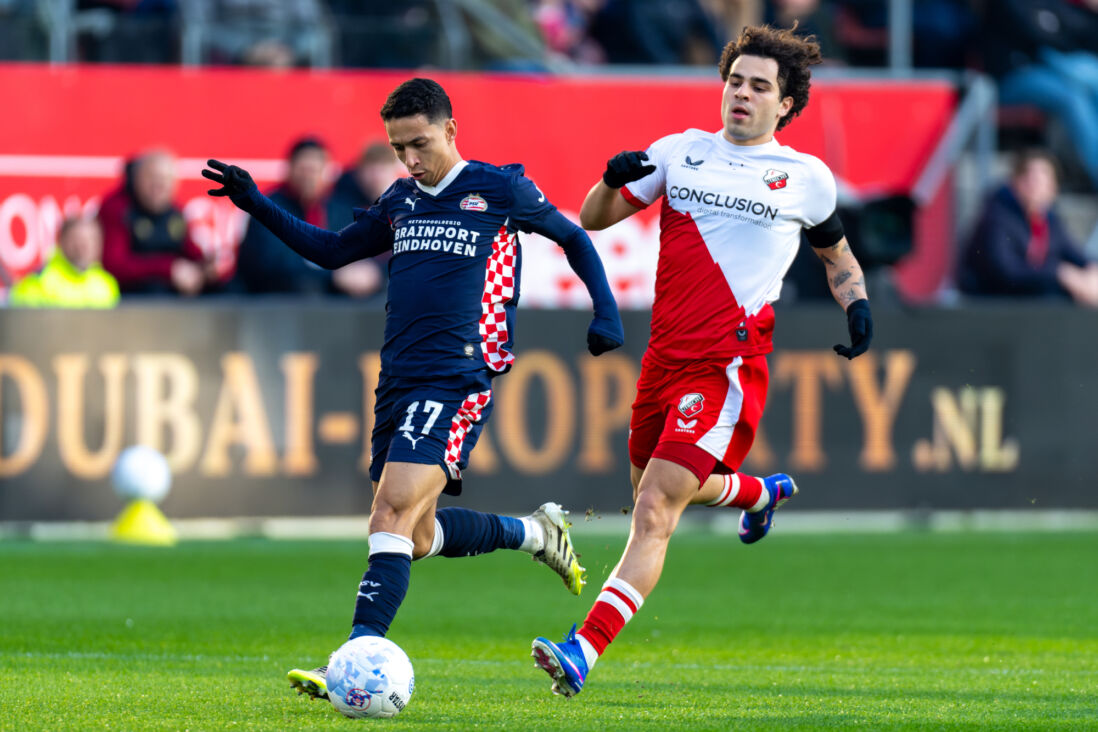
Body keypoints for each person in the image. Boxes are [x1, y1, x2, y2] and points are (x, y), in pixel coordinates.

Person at [201, 77, 625, 700]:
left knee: (389, 511)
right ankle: (537, 533)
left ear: (451, 130)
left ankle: (355, 655)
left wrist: (605, 312)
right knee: (416, 536)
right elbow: (331, 251)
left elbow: (573, 236)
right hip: (398, 378)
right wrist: (256, 202)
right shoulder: (401, 199)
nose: (410, 160)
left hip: (458, 376)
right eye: (399, 148)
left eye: (419, 144)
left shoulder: (499, 188)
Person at [530, 24, 873, 697]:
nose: (741, 94)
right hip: (663, 358)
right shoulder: (679, 154)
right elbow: (593, 218)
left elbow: (837, 256)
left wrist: (857, 303)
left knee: (656, 507)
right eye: (735, 81)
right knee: (652, 495)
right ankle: (756, 491)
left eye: (759, 87)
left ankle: (583, 650)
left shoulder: (805, 179)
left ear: (786, 105)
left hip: (727, 365)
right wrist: (608, 180)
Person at [233, 137, 380, 297]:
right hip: (276, 305)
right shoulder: (267, 208)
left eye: (314, 170)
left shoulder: (342, 210)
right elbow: (272, 265)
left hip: (336, 309)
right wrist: (332, 276)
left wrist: (372, 273)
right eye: (303, 169)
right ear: (290, 169)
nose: (308, 177)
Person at [959, 149, 1098, 306]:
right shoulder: (998, 215)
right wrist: (1059, 272)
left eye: (1043, 182)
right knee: (1055, 296)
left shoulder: (1049, 220)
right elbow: (1007, 271)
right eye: (1031, 181)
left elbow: (1074, 254)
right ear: (1016, 183)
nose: (1036, 188)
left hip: (1027, 299)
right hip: (989, 302)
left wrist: (1091, 269)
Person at [98, 150, 210, 296]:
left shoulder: (175, 211)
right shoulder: (117, 208)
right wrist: (168, 269)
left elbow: (189, 251)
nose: (159, 185)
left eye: (166, 179)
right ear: (136, 178)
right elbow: (115, 266)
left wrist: (206, 267)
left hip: (174, 287)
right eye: (152, 177)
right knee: (155, 290)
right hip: (132, 296)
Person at [9, 217, 119, 308]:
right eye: (77, 239)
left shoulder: (107, 284)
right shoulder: (39, 282)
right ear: (61, 241)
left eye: (91, 240)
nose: (84, 247)